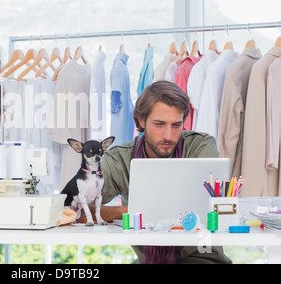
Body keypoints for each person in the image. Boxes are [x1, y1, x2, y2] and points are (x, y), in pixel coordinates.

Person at [99, 80, 232, 264]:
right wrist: (128, 212)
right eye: (159, 124)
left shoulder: (200, 147)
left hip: (202, 259)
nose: (168, 136)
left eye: (176, 125)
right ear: (141, 121)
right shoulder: (119, 159)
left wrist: (144, 215)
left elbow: (210, 208)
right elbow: (79, 209)